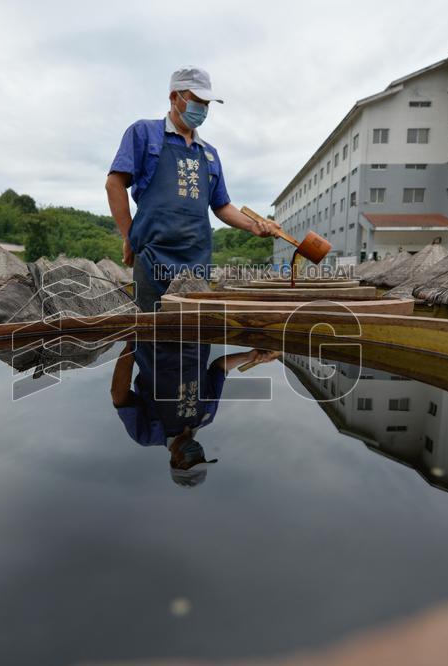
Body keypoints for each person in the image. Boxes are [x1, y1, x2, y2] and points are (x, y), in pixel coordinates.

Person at [106, 66, 275, 311]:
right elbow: (114, 184)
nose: (202, 109)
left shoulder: (209, 153)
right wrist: (128, 236)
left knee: (194, 329)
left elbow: (221, 205)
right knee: (153, 329)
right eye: (197, 101)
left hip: (196, 261)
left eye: (206, 104)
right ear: (174, 97)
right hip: (153, 257)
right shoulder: (144, 133)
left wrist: (253, 225)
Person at [111, 339, 279, 487]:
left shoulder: (147, 435)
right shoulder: (207, 416)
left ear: (175, 462)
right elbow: (219, 368)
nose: (198, 455)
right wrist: (249, 356)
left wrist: (131, 348)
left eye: (193, 461)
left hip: (154, 341)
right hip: (196, 336)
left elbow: (119, 395)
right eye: (202, 459)